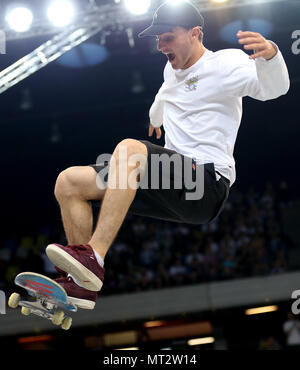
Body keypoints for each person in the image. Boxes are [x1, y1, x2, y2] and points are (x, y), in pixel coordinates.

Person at [44, 1, 290, 309]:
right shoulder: (170, 70)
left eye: (167, 37)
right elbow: (166, 93)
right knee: (68, 182)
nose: (160, 46)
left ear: (195, 34)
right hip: (170, 181)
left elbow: (273, 89)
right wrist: (155, 116)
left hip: (206, 184)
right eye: (157, 38)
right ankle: (81, 285)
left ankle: (94, 256)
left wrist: (270, 56)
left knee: (130, 150)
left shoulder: (225, 63)